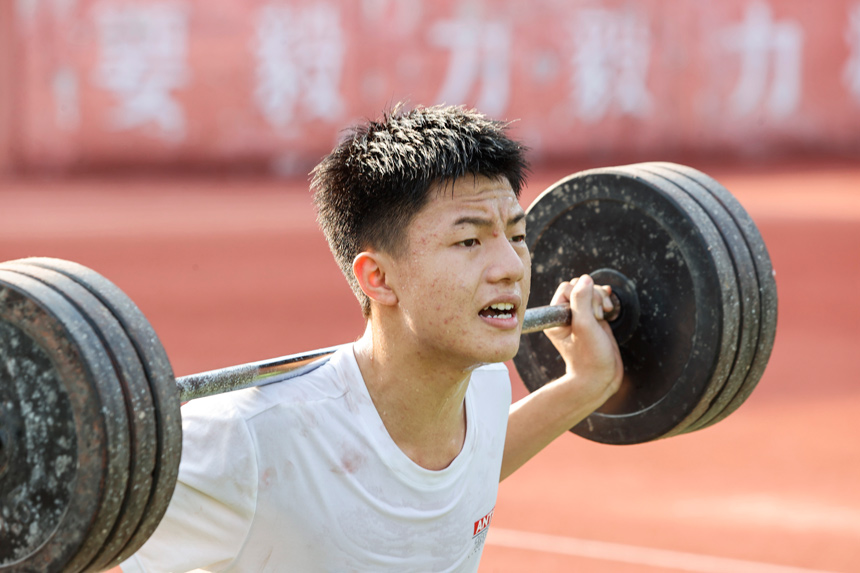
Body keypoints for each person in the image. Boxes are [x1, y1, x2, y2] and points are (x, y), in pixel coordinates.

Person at [118, 104, 622, 572]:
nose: (511, 267)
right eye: (469, 240)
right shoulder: (245, 439)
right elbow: (72, 532)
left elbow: (459, 474)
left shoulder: (480, 390)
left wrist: (586, 384)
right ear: (378, 278)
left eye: (515, 235)